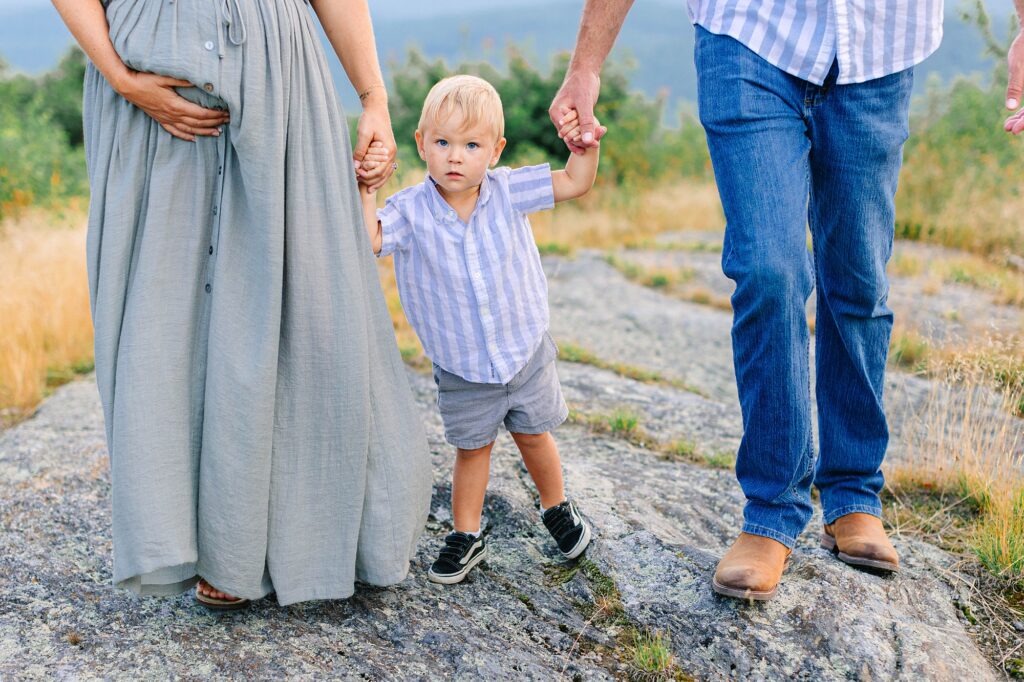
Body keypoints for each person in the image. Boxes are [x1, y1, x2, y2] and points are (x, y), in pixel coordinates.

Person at [550, 0, 950, 601]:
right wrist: (586, 65)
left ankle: (852, 494)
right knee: (769, 269)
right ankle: (772, 509)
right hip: (748, 33)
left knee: (860, 277)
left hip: (880, 45)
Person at [51, 0, 432, 609]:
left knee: (298, 296)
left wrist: (373, 97)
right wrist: (122, 78)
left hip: (278, 74)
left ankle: (300, 535)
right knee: (159, 310)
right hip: (144, 87)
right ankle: (194, 538)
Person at [357, 75, 603, 584]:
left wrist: (583, 147)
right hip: (463, 362)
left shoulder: (509, 189)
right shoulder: (409, 210)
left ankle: (556, 506)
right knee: (471, 450)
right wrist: (367, 190)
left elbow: (576, 182)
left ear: (494, 151)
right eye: (442, 142)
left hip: (523, 348)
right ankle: (465, 535)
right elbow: (371, 241)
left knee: (535, 436)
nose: (455, 156)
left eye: (471, 145)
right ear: (421, 142)